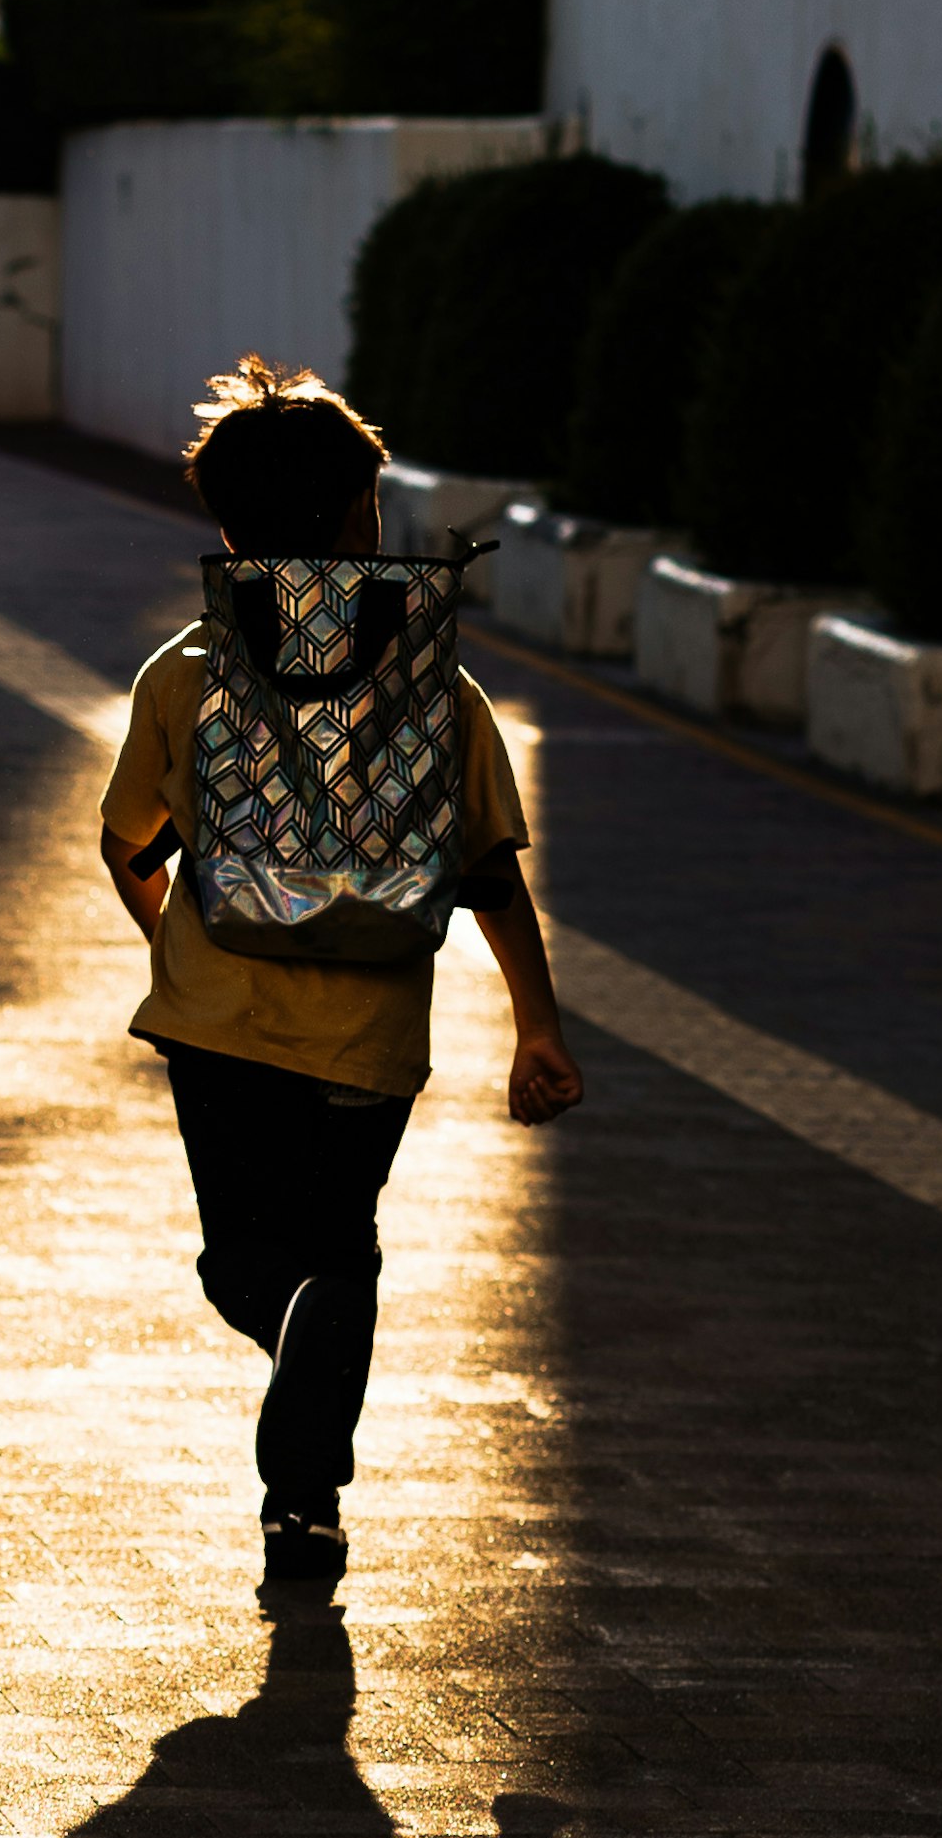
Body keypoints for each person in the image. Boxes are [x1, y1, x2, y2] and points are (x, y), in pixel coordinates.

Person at [99, 358, 581, 1590]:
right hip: (369, 1038)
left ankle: (298, 1405)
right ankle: (301, 1507)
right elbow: (488, 873)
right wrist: (537, 1029)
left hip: (216, 1027)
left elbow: (128, 845)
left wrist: (178, 942)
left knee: (244, 1265)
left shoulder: (185, 675)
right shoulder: (437, 692)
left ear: (225, 523)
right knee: (340, 1249)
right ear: (364, 516)